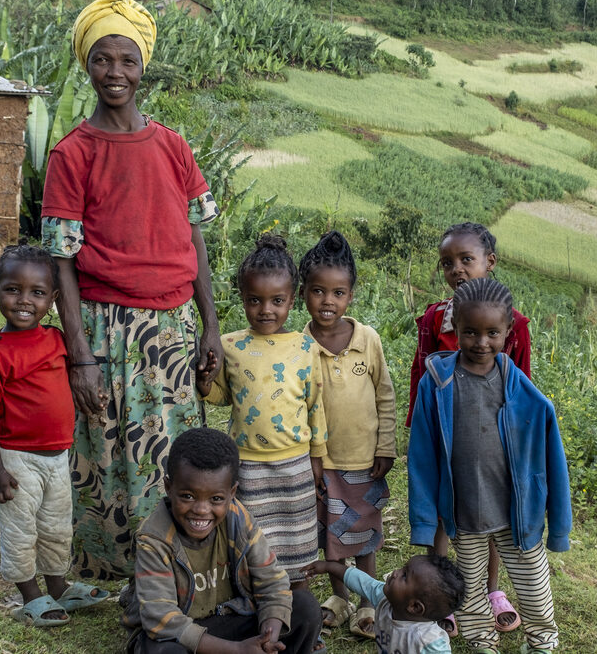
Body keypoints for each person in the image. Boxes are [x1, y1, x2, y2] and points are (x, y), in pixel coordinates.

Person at [40, 0, 223, 582]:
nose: (114, 73)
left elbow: (197, 246)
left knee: (171, 457)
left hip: (171, 326)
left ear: (143, 65)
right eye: (101, 60)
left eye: (126, 60)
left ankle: (171, 568)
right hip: (103, 326)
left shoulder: (173, 146)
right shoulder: (72, 153)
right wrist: (80, 356)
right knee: (106, 451)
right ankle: (111, 570)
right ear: (86, 65)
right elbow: (62, 262)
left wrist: (211, 329)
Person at [408, 278, 572, 654]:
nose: (481, 342)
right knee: (467, 589)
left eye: (492, 333)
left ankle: (542, 643)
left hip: (518, 516)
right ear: (455, 328)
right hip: (463, 515)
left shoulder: (521, 389)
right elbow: (421, 457)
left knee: (534, 588)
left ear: (507, 332)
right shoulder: (438, 383)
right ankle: (482, 642)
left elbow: (552, 456)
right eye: (470, 332)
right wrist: (423, 521)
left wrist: (559, 524)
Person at [0, 245, 111, 627]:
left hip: (57, 458)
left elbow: (65, 385)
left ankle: (59, 587)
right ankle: (31, 597)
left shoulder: (56, 339)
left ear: (53, 298)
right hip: (16, 458)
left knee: (55, 527)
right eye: (12, 289)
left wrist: (92, 395)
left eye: (37, 292)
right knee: (21, 530)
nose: (24, 301)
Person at [405, 222, 532, 634]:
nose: (456, 269)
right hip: (445, 440)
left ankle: (490, 592)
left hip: (493, 443)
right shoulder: (434, 319)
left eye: (466, 259)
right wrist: (416, 426)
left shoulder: (515, 323)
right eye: (447, 263)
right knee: (443, 514)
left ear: (489, 263)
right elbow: (419, 372)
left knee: (492, 516)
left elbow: (523, 386)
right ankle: (441, 594)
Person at [197, 235, 327, 586]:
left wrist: (317, 458)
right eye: (254, 300)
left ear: (292, 300)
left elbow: (315, 407)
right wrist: (206, 383)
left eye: (277, 301)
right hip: (248, 464)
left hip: (295, 463)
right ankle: (254, 602)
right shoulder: (230, 345)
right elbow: (222, 396)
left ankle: (298, 600)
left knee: (298, 541)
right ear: (242, 298)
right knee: (252, 539)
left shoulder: (305, 347)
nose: (265, 309)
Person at [122, 427, 322, 653]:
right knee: (162, 650)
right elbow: (162, 619)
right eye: (187, 496)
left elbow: (273, 584)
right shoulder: (153, 538)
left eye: (216, 499)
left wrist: (267, 638)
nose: (201, 509)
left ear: (232, 492)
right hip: (185, 634)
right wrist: (237, 650)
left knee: (305, 607)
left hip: (230, 619)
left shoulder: (238, 519)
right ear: (169, 487)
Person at [297, 231, 397, 640]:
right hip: (319, 461)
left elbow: (385, 394)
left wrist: (386, 445)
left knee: (364, 534)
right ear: (303, 292)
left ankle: (368, 601)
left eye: (338, 292)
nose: (327, 301)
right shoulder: (299, 345)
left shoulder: (367, 340)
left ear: (351, 295)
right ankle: (338, 597)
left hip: (362, 461)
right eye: (318, 291)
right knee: (329, 533)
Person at [302, 555, 464, 654]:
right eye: (403, 569)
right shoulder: (386, 600)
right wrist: (330, 566)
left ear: (414, 607)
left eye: (404, 576)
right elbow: (362, 581)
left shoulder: (428, 641)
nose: (395, 573)